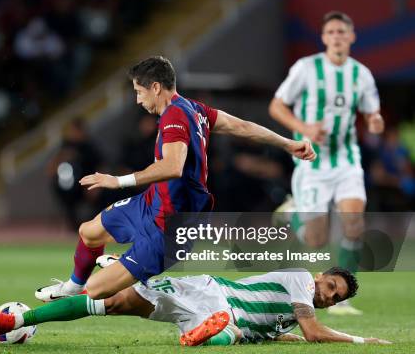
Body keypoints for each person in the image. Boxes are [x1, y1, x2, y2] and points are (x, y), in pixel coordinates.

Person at [35, 56, 316, 302]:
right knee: (88, 231)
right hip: (152, 203)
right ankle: (73, 286)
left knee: (97, 293)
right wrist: (287, 143)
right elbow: (240, 126)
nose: (137, 99)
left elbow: (172, 166)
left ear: (155, 87)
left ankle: (22, 320)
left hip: (170, 226)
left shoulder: (174, 118)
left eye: (139, 91)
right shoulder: (195, 109)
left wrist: (117, 181)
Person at [269, 11, 384, 315]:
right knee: (316, 241)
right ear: (324, 38)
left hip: (347, 160)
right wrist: (305, 129)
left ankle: (341, 298)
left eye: (342, 32)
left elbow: (372, 111)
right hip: (313, 162)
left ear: (351, 36)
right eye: (331, 31)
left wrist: (374, 120)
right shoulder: (306, 68)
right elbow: (276, 105)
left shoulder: (361, 74)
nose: (337, 36)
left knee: (354, 223)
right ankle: (293, 210)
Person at [0, 266, 390, 346]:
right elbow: (314, 332)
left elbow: (296, 335)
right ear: (320, 275)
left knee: (113, 304)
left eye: (334, 298)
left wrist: (291, 340)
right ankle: (205, 335)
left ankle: (16, 318)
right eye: (330, 286)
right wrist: (359, 340)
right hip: (214, 295)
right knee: (230, 331)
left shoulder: (287, 318)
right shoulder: (301, 278)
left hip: (214, 307)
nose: (327, 295)